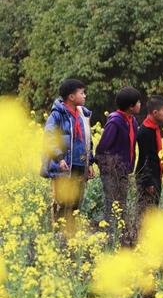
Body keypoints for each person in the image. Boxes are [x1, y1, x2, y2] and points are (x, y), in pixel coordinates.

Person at [42, 79, 94, 228]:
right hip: (63, 167)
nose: (85, 96)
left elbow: (88, 140)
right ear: (71, 97)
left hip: (79, 166)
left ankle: (71, 240)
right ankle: (58, 238)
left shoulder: (83, 115)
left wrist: (89, 162)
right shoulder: (57, 115)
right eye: (82, 93)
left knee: (76, 204)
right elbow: (49, 138)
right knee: (62, 203)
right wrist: (59, 158)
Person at [96, 86, 141, 230]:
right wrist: (107, 169)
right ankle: (109, 237)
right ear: (131, 106)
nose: (141, 104)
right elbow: (102, 148)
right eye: (138, 102)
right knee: (112, 204)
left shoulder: (132, 121)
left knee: (122, 204)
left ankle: (119, 237)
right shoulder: (115, 122)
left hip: (124, 172)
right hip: (111, 172)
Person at [135, 95, 163, 233]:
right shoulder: (145, 131)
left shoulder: (153, 128)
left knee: (153, 208)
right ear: (155, 113)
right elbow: (145, 157)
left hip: (154, 175)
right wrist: (148, 182)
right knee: (146, 210)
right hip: (147, 177)